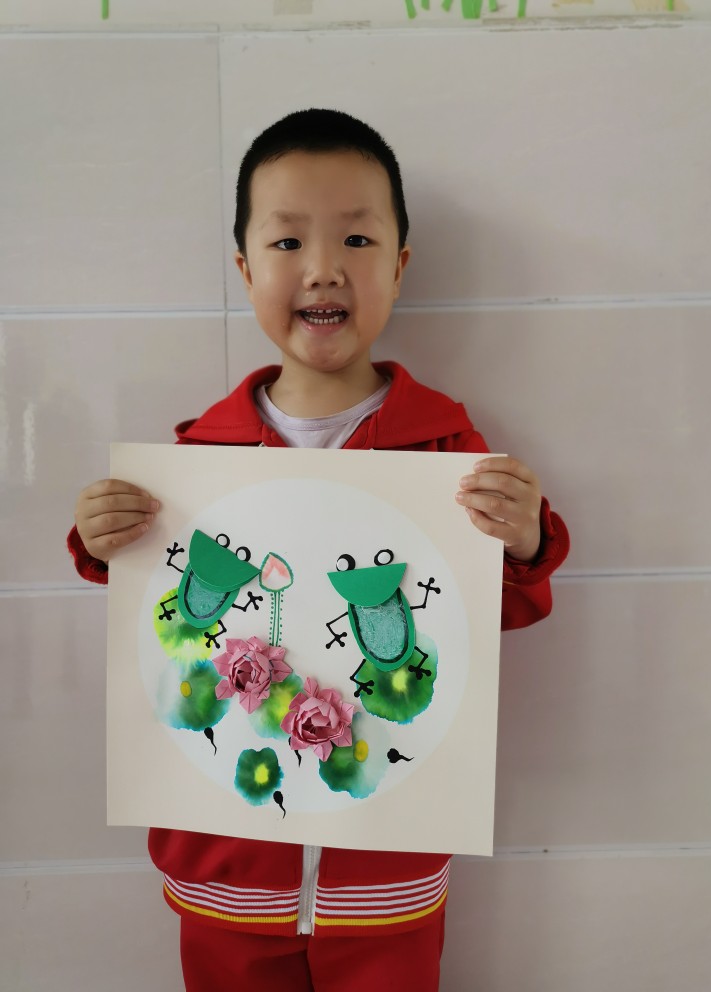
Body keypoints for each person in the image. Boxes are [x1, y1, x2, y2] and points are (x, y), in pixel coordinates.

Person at [68, 109, 569, 992]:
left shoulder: (450, 452)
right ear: (244, 268)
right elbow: (156, 619)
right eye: (288, 240)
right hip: (223, 863)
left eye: (357, 239)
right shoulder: (194, 458)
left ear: (400, 267)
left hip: (388, 870)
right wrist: (105, 541)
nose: (324, 267)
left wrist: (525, 539)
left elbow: (500, 612)